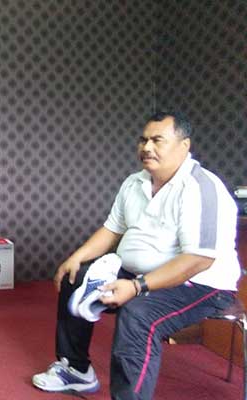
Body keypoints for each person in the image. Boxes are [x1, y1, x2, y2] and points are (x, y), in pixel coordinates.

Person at [32, 111, 240, 399]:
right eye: (143, 140)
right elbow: (112, 229)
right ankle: (76, 371)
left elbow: (198, 259)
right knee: (75, 277)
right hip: (139, 275)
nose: (147, 147)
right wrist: (77, 257)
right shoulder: (134, 182)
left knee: (138, 313)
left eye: (157, 140)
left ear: (184, 145)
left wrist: (136, 286)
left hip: (201, 284)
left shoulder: (200, 187)